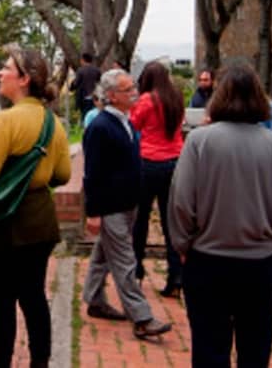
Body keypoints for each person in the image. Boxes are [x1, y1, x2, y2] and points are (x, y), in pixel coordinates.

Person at [168, 64, 272, 368]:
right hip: (259, 262)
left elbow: (181, 201)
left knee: (208, 346)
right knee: (255, 348)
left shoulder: (200, 141)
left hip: (207, 259)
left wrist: (183, 244)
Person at [0, 45, 71, 368]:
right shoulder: (54, 123)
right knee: (34, 297)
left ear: (23, 79)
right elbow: (63, 174)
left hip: (4, 222)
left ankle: (2, 364)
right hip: (40, 220)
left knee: (1, 302)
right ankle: (40, 362)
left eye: (7, 68)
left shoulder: (7, 120)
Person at [82, 69, 173, 340]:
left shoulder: (126, 122)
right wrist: (94, 212)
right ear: (111, 96)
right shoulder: (100, 127)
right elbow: (93, 173)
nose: (134, 92)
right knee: (124, 261)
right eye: (127, 89)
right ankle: (142, 317)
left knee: (103, 255)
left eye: (133, 87)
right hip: (110, 206)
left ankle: (94, 299)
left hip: (127, 203)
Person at [130, 61, 185, 298]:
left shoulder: (147, 100)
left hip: (148, 161)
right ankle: (176, 274)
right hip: (174, 161)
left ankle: (136, 270)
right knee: (169, 221)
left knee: (140, 219)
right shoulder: (176, 98)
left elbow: (133, 125)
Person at [70, 52, 101, 117]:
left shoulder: (80, 70)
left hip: (83, 97)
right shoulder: (97, 70)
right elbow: (99, 82)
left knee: (85, 116)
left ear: (83, 60)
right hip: (94, 97)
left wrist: (71, 87)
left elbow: (76, 83)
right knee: (94, 115)